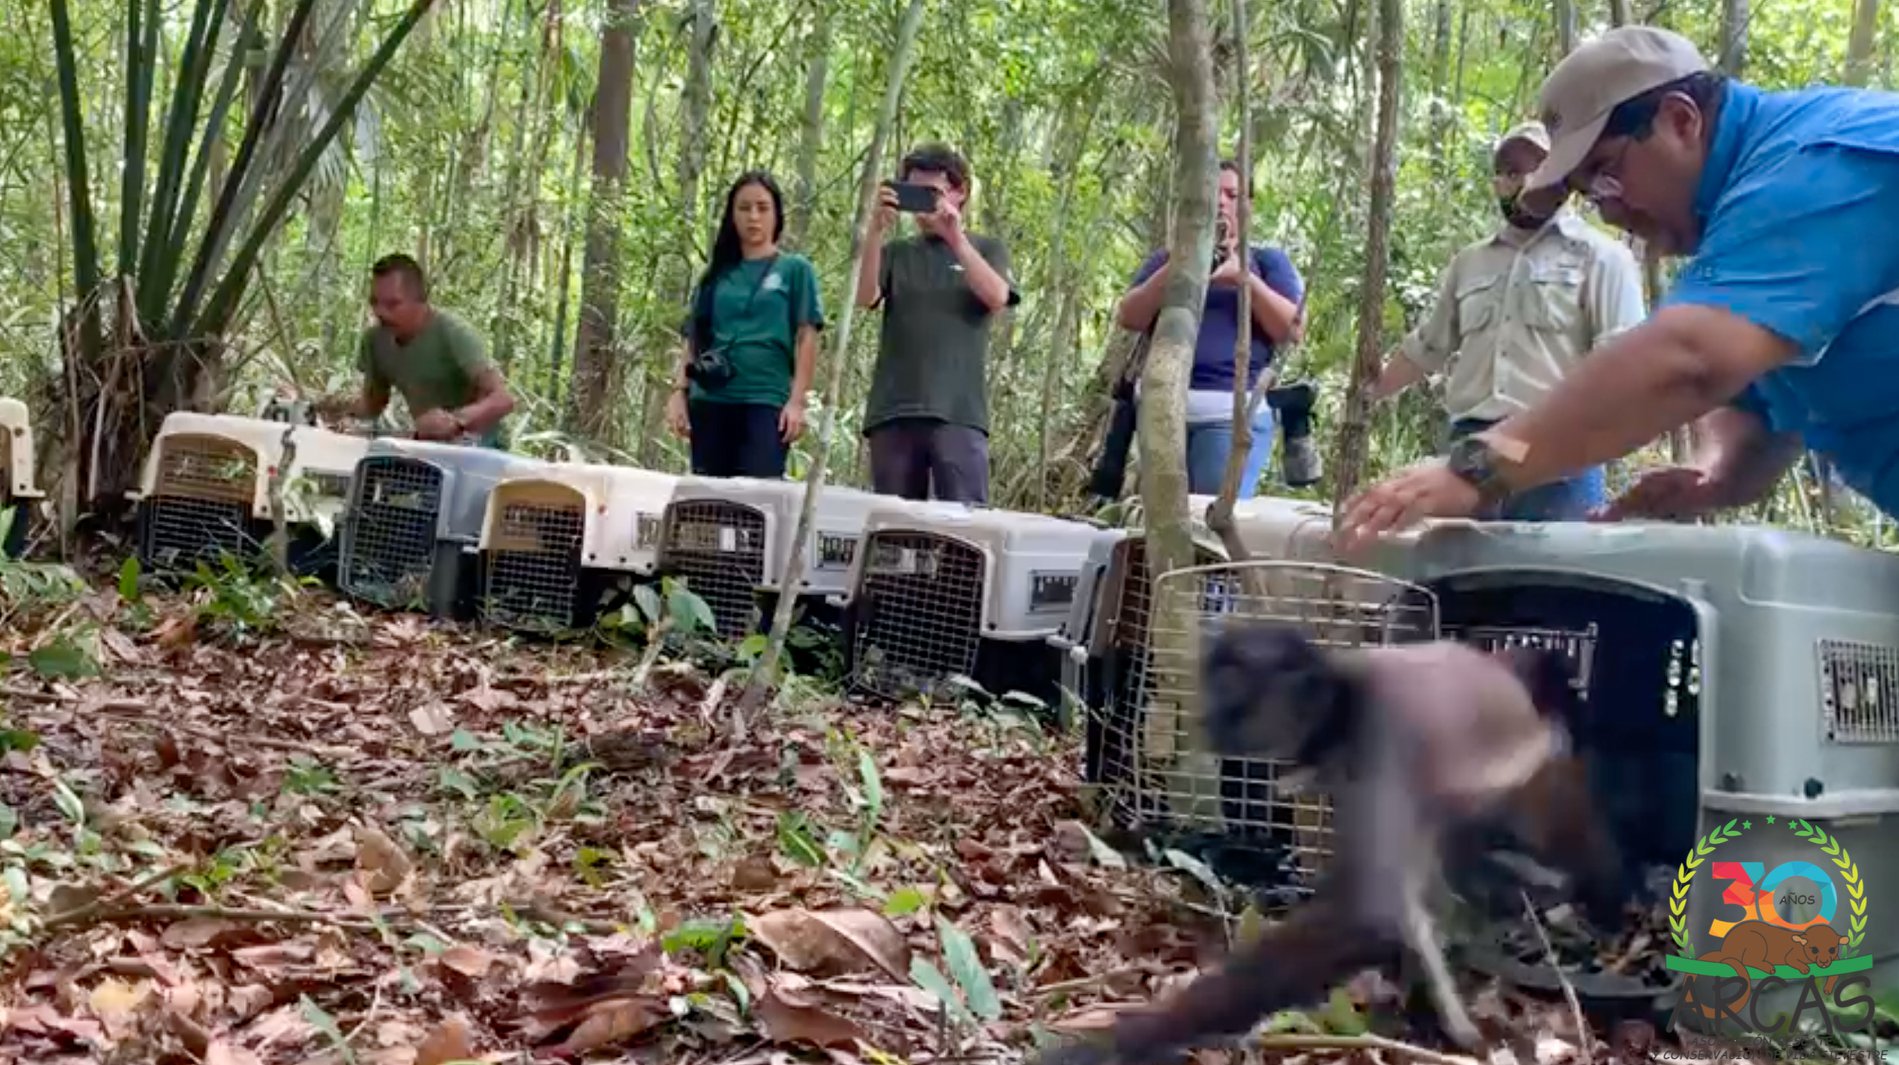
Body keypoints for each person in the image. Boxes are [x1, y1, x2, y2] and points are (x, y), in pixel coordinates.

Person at [1338, 26, 1899, 551]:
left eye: (1607, 173)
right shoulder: (1748, 242)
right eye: (1589, 194)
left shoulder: (1813, 164)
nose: (1609, 211)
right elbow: (1759, 401)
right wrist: (1717, 477)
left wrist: (1480, 466)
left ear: (1680, 121)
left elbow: (1689, 361)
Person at [1368, 121, 1646, 520]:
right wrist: (1368, 392)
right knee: (1461, 576)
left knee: (1551, 575)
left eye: (1539, 168)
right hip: (1471, 451)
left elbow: (1621, 364)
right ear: (1497, 182)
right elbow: (1429, 347)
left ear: (1565, 178)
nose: (1526, 180)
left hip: (1557, 450)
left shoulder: (1602, 258)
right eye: (1511, 171)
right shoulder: (1470, 263)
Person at [1115, 160, 1307, 497]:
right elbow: (1129, 316)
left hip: (1230, 415)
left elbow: (1292, 330)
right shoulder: (1166, 260)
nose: (1221, 202)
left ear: (1247, 206)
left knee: (1209, 522)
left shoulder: (1266, 261)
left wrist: (1244, 279)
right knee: (1159, 521)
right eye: (1212, 193)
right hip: (1164, 413)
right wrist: (1181, 265)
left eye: (1232, 195)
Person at [856, 143, 1019, 504]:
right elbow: (866, 297)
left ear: (959, 192)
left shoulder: (986, 249)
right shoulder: (897, 253)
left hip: (959, 412)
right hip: (894, 410)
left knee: (966, 529)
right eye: (913, 193)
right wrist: (875, 231)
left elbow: (997, 297)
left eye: (932, 193)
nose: (923, 206)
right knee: (894, 531)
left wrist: (955, 237)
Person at [665, 170, 825, 478]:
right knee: (708, 501)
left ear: (777, 215)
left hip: (765, 398)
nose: (754, 217)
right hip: (711, 398)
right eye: (744, 208)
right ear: (732, 215)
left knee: (760, 502)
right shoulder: (715, 276)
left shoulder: (794, 269)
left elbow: (807, 335)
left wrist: (797, 402)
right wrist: (678, 393)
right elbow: (694, 338)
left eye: (763, 208)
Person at [321, 254, 515, 445]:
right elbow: (373, 403)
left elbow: (503, 400)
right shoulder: (375, 340)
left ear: (420, 301)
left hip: (480, 446)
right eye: (375, 302)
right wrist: (331, 408)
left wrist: (456, 420)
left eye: (392, 304)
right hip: (428, 445)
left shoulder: (453, 333)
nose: (380, 312)